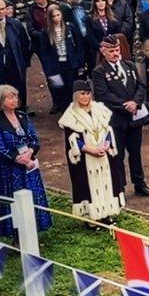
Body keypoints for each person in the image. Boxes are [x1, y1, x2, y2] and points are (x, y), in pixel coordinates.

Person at [91, 36, 149, 198]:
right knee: (117, 155)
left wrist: (135, 102)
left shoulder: (129, 66)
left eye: (117, 50)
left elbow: (141, 86)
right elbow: (103, 94)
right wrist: (124, 104)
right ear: (103, 51)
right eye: (111, 51)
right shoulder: (99, 72)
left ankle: (139, 183)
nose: (115, 54)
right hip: (115, 121)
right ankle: (119, 186)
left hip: (134, 118)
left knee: (135, 153)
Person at [56, 79, 125, 227]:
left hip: (103, 154)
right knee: (88, 185)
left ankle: (107, 214)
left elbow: (107, 130)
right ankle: (92, 218)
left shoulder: (100, 109)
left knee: (107, 182)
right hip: (86, 157)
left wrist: (106, 145)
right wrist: (90, 149)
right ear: (76, 95)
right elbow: (72, 140)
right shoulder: (71, 115)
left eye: (88, 94)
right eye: (82, 94)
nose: (85, 97)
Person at [0, 84, 50, 238]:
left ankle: (34, 230)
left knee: (33, 196)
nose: (14, 100)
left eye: (15, 96)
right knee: (14, 202)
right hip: (9, 170)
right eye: (10, 97)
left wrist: (29, 152)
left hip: (29, 166)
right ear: (1, 101)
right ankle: (16, 236)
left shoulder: (23, 116)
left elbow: (34, 139)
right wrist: (20, 159)